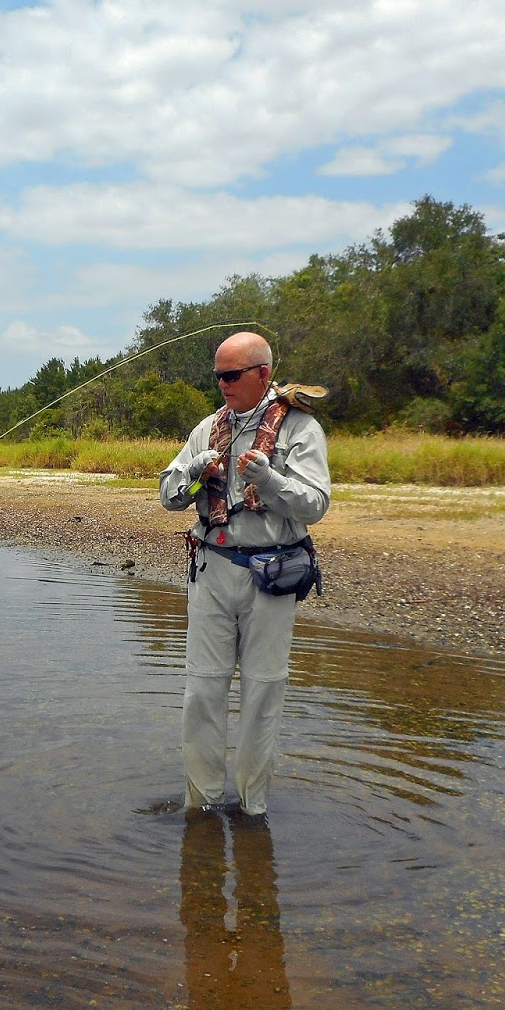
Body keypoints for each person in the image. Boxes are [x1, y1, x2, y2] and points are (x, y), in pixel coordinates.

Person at [158, 332, 330, 817]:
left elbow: (316, 504)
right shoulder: (207, 428)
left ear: (262, 374)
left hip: (272, 576)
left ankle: (254, 810)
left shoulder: (300, 428)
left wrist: (269, 480)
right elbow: (169, 495)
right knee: (202, 692)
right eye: (218, 376)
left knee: (263, 691)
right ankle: (202, 805)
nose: (223, 385)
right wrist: (194, 469)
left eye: (232, 375)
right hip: (211, 571)